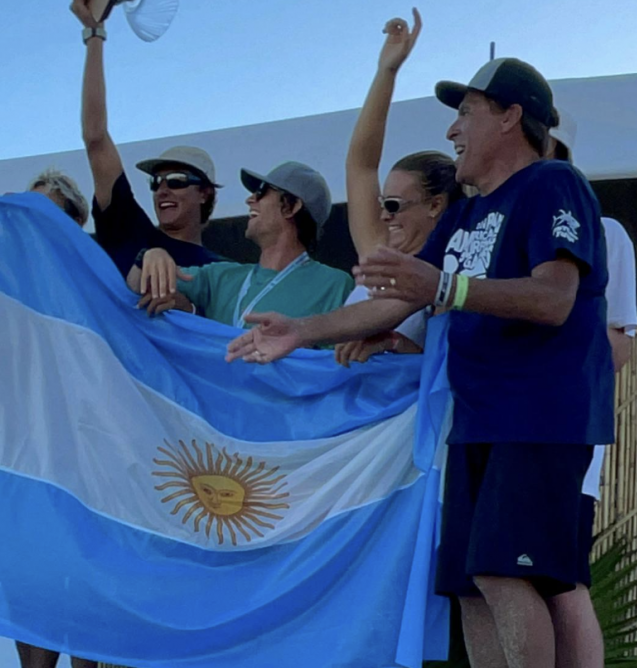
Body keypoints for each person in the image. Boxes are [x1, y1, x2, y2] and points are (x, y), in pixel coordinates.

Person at [227, 58, 614, 668]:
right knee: (471, 586)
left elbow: (555, 297)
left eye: (465, 113)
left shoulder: (554, 184)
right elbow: (399, 299)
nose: (452, 131)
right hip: (475, 420)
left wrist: (449, 288)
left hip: (540, 413)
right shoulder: (463, 214)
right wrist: (302, 331)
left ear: (512, 118)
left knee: (508, 576)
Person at [544, 109, 637, 668]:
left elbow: (619, 344)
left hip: (565, 433)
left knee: (562, 579)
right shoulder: (491, 223)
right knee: (496, 580)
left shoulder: (605, 232)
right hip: (490, 430)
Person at [69, 0, 224, 276]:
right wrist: (94, 33)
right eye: (156, 183)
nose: (162, 190)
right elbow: (95, 138)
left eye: (177, 180)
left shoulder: (225, 273)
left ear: (205, 193)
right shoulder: (128, 229)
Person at [336, 8, 463, 366]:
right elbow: (360, 166)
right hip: (348, 410)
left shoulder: (450, 274)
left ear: (435, 205)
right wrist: (386, 71)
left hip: (408, 418)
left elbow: (448, 365)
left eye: (392, 205)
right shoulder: (378, 254)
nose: (381, 214)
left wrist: (391, 342)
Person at [16, 169, 97, 668]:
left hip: (86, 452)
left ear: (74, 220)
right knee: (33, 590)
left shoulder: (96, 273)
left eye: (47, 211)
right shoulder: (2, 277)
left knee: (85, 591)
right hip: (24, 456)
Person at [129, 161, 353, 325]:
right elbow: (135, 287)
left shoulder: (334, 285)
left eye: (262, 192)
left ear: (292, 206)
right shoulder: (220, 276)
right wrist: (150, 257)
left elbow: (338, 366)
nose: (250, 199)